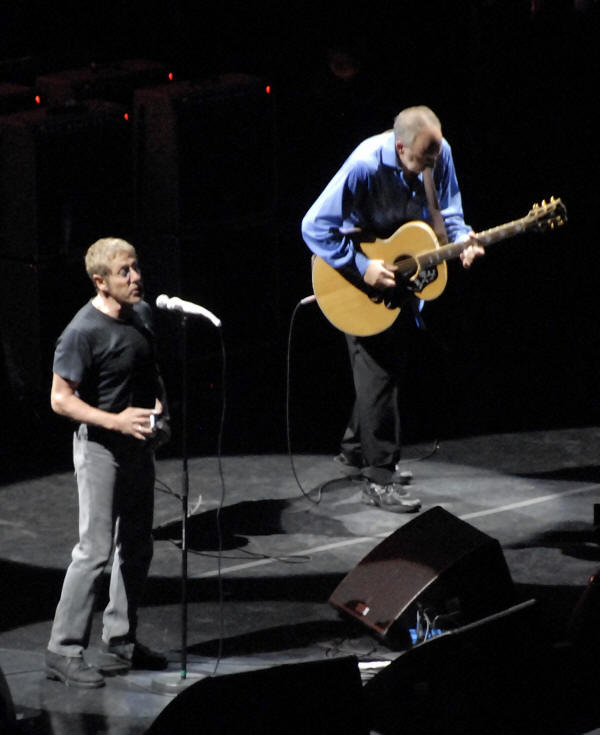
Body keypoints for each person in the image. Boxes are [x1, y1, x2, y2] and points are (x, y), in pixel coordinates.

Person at [301, 105, 484, 513]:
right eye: (422, 160)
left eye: (434, 158)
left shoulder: (438, 152)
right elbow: (313, 225)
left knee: (385, 369)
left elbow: (450, 209)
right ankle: (379, 477)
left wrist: (462, 239)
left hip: (403, 274)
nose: (429, 167)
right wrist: (362, 267)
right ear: (401, 148)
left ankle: (354, 449)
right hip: (357, 277)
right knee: (379, 371)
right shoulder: (365, 165)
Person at [45, 237, 170, 688]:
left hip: (137, 446)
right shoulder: (82, 331)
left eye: (135, 268)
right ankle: (62, 649)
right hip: (100, 448)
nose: (135, 278)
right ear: (100, 282)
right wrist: (114, 422)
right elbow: (61, 400)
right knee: (95, 551)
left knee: (136, 546)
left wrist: (162, 416)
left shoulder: (141, 316)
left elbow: (149, 372)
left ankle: (121, 640)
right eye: (124, 273)